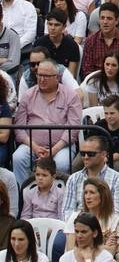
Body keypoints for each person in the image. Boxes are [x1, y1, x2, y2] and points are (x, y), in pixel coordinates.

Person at [13, 58, 82, 186]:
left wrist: (53, 150)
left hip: (62, 146)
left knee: (61, 163)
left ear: (57, 77)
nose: (42, 79)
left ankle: (58, 199)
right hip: (32, 145)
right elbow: (19, 127)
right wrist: (34, 147)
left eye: (46, 76)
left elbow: (73, 128)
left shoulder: (71, 96)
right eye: (39, 75)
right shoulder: (28, 95)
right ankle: (24, 196)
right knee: (18, 158)